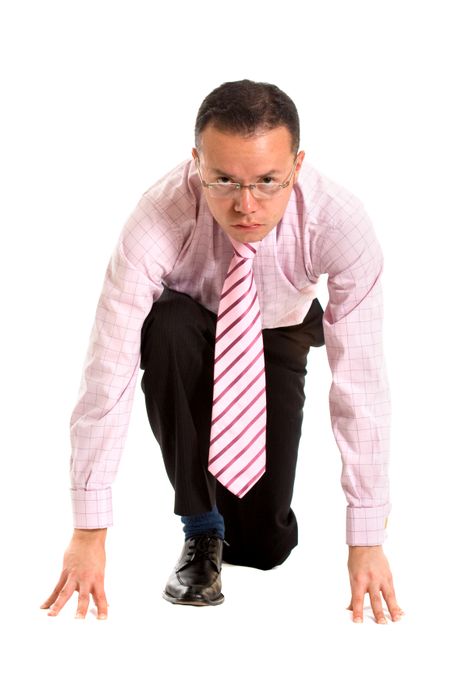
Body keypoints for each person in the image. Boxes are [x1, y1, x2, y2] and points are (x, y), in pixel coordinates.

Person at [41, 79, 404, 624]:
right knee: (165, 325)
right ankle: (201, 525)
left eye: (266, 182)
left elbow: (362, 385)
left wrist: (367, 538)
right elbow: (108, 370)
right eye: (224, 180)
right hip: (185, 329)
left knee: (262, 548)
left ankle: (242, 524)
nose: (245, 205)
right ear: (196, 162)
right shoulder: (157, 218)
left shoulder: (339, 225)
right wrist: (89, 531)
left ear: (297, 165)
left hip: (277, 330)